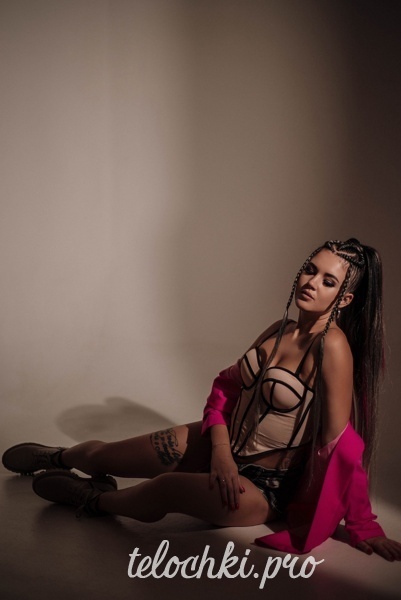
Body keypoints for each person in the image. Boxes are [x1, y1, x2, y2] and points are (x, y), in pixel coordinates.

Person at [2, 238, 401, 561]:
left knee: (165, 489)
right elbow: (226, 389)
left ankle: (94, 499)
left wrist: (362, 524)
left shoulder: (332, 348)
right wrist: (221, 452)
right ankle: (61, 457)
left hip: (266, 487)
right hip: (221, 446)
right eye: (310, 269)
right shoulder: (279, 328)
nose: (311, 282)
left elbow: (340, 446)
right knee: (104, 455)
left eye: (328, 281)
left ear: (344, 300)